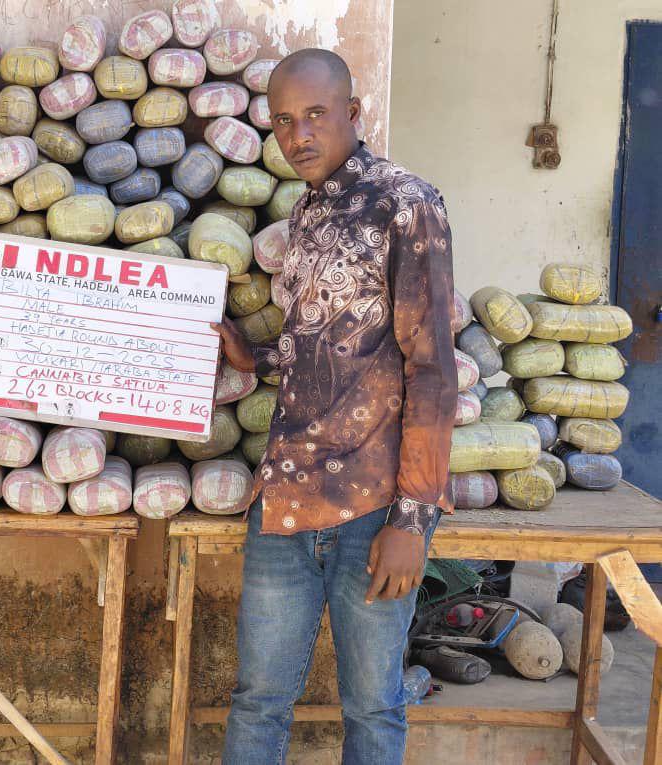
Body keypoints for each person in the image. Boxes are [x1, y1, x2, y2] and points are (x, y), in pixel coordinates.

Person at [211, 49, 457, 765]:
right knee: (257, 700)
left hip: (371, 508)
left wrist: (413, 520)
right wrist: (256, 357)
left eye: (316, 114)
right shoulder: (308, 211)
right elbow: (326, 341)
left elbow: (433, 370)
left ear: (353, 112)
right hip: (285, 501)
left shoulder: (406, 204)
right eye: (284, 121)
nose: (299, 135)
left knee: (373, 706)